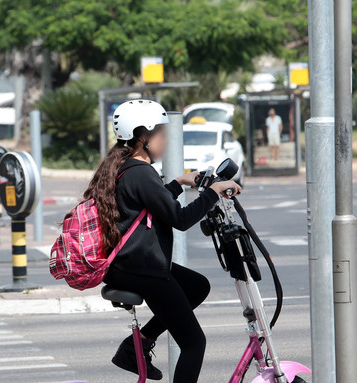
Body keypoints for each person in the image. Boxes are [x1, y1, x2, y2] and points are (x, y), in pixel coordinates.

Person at [83, 100, 242, 383]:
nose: (167, 140)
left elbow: (147, 205)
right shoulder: (141, 173)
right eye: (162, 134)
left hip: (130, 265)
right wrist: (213, 193)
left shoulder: (128, 169)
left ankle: (138, 343)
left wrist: (179, 183)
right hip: (141, 269)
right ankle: (134, 346)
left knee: (197, 286)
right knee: (194, 343)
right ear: (143, 136)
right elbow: (178, 220)